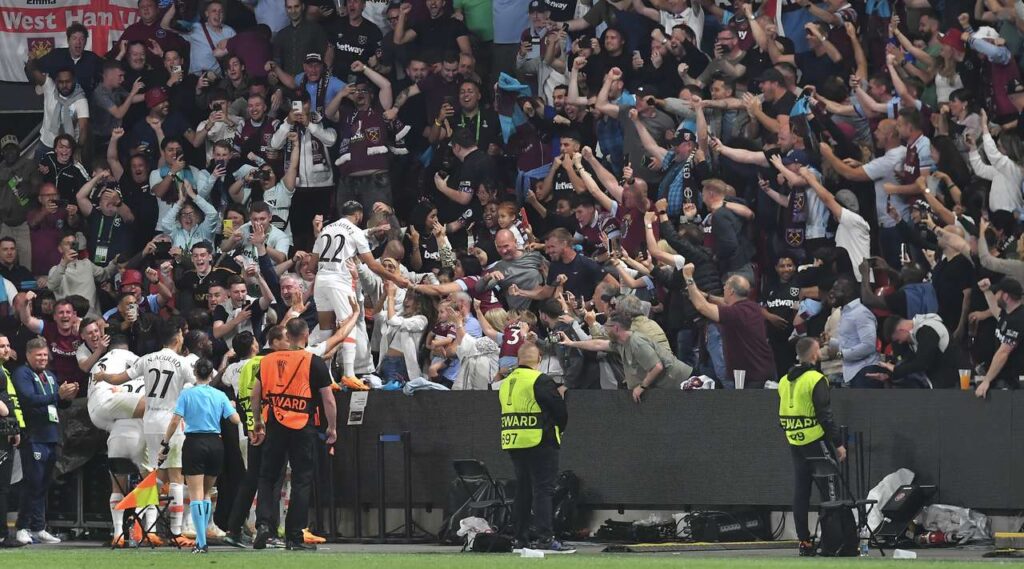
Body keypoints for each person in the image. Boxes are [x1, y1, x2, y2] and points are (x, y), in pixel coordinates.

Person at [94, 320, 197, 547]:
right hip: (170, 420)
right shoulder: (181, 362)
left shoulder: (146, 359)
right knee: (176, 476)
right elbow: (198, 385)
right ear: (177, 337)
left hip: (149, 420)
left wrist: (103, 377)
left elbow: (119, 378)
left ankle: (140, 520)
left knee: (154, 474)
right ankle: (176, 531)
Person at [250, 318, 337, 551]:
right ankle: (294, 537)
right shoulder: (313, 362)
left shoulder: (267, 361)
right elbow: (328, 399)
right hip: (303, 425)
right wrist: (332, 427)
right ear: (306, 335)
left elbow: (255, 394)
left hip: (275, 424)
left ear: (287, 336)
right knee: (301, 480)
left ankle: (264, 524)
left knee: (267, 476)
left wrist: (257, 421)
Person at [497, 341, 574, 553]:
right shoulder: (540, 380)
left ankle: (520, 539)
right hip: (540, 440)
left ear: (518, 360)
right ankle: (545, 538)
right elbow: (559, 410)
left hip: (513, 440)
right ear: (539, 359)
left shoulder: (506, 382)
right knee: (543, 490)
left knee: (522, 491)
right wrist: (560, 429)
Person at [160, 357, 241, 554]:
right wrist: (231, 406)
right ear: (211, 373)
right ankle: (201, 538)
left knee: (195, 493)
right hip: (215, 444)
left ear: (195, 373)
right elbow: (235, 419)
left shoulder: (187, 394)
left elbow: (175, 421)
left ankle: (201, 542)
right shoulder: (219, 395)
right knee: (206, 493)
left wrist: (165, 442)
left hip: (194, 443)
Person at [778, 336, 845, 557]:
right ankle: (831, 543)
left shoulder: (784, 380)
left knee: (801, 492)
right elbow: (825, 415)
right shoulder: (816, 379)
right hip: (817, 440)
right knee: (830, 491)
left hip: (795, 441)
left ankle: (804, 542)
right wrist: (838, 443)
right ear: (815, 354)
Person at [12, 338, 77, 545]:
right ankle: (22, 527)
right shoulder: (22, 374)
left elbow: (58, 404)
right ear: (28, 355)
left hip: (51, 435)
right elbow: (28, 399)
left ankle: (38, 527)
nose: (42, 358)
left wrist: (67, 397)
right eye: (38, 355)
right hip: (33, 436)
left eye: (45, 355)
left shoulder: (49, 375)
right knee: (32, 483)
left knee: (43, 484)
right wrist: (57, 395)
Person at [683, 264, 776, 389]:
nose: (723, 288)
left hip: (752, 377)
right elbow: (725, 303)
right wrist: (708, 296)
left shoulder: (735, 313)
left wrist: (688, 277)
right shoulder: (752, 307)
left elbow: (702, 307)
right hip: (763, 371)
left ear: (731, 291)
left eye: (725, 286)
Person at [975, 277, 1024, 398]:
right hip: (1004, 378)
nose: (995, 296)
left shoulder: (1018, 319)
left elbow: (1003, 353)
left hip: (1014, 383)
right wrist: (986, 291)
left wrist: (987, 380)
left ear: (1005, 297)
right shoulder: (1007, 313)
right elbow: (995, 310)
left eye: (997, 293)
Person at [0, 334, 25, 548]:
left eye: (8, 345)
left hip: (5, 431)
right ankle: (2, 535)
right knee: (2, 487)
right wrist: (6, 415)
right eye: (1, 346)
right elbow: (5, 406)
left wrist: (14, 427)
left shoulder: (4, 371)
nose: (6, 349)